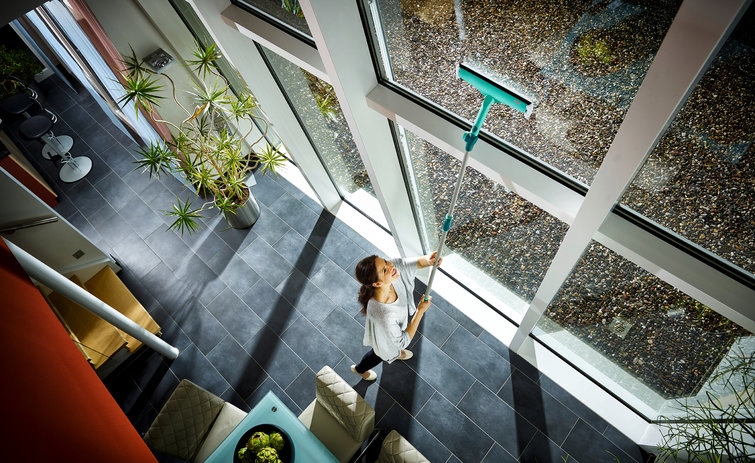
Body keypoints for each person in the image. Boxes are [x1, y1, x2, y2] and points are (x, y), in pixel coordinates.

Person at [350, 252, 441, 381]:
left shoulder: (391, 270)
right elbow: (403, 341)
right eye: (384, 270)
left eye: (385, 261)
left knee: (391, 346)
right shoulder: (385, 316)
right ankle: (360, 369)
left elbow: (403, 264)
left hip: (392, 328)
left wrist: (429, 260)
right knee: (380, 353)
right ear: (377, 284)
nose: (391, 266)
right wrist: (420, 311)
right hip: (385, 337)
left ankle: (395, 353)